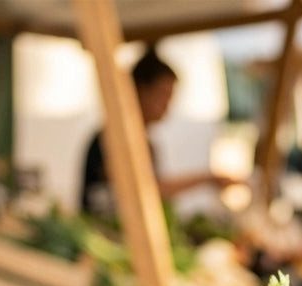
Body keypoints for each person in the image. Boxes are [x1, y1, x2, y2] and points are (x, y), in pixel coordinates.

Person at [80, 47, 227, 216]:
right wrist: (207, 178)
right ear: (141, 91)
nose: (167, 105)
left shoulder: (144, 142)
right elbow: (143, 190)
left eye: (170, 98)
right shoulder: (110, 139)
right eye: (163, 95)